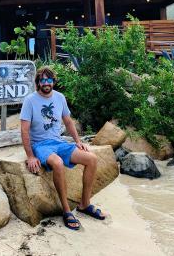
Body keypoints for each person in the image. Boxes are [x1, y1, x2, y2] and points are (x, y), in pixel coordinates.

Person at [20, 66, 107, 230]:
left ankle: (84, 204)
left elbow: (67, 121)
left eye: (49, 79)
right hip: (40, 145)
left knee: (92, 159)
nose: (46, 83)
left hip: (59, 142)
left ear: (53, 81)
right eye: (43, 80)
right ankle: (67, 211)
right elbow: (24, 130)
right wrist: (30, 156)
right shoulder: (30, 100)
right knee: (58, 163)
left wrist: (78, 141)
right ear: (38, 82)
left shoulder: (60, 97)